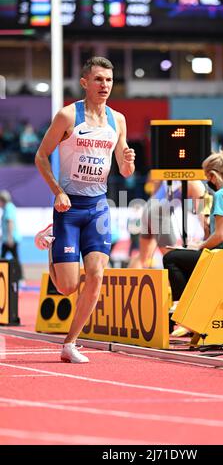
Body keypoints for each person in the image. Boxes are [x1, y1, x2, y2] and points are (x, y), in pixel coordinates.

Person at [34, 56, 135, 363]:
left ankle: (70, 343)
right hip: (69, 206)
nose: (105, 85)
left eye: (109, 80)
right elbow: (40, 156)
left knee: (96, 275)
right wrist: (58, 191)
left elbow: (125, 170)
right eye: (99, 79)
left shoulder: (117, 120)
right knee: (66, 287)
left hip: (98, 207)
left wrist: (128, 162)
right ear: (84, 83)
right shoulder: (67, 115)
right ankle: (52, 243)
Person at [163, 146, 223, 336]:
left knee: (171, 258)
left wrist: (198, 246)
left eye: (206, 177)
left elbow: (220, 236)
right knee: (185, 257)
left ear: (212, 175)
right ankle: (192, 313)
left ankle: (185, 312)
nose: (205, 181)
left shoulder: (221, 195)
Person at [128, 178, 206, 269]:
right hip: (158, 213)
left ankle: (128, 281)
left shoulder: (167, 172)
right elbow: (203, 216)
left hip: (148, 207)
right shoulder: (196, 183)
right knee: (174, 260)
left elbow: (156, 185)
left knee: (143, 257)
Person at [0, 190, 23, 281]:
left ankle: (20, 277)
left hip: (11, 239)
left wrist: (9, 238)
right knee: (10, 258)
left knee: (10, 258)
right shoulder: (7, 208)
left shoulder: (9, 207)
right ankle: (19, 277)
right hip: (8, 238)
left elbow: (10, 222)